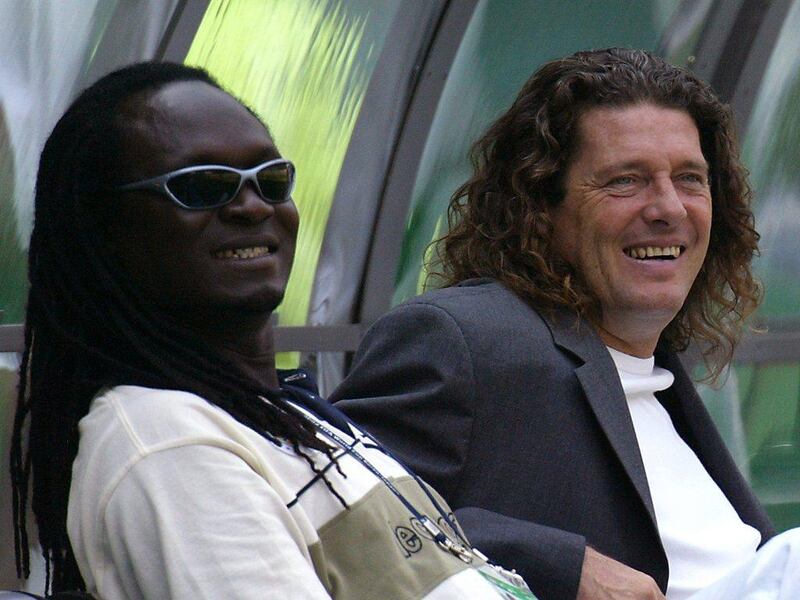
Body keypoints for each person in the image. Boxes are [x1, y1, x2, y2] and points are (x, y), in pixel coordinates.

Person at [10, 62, 533, 600]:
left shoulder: (289, 416)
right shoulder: (168, 443)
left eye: (272, 180)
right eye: (203, 187)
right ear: (105, 231)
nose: (252, 205)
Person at [331, 48, 800, 599]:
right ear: (539, 206)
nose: (669, 207)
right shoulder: (464, 336)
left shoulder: (659, 374)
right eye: (626, 181)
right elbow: (341, 518)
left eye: (691, 179)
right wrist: (561, 566)